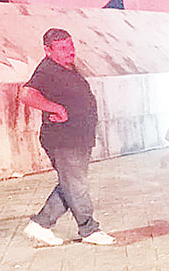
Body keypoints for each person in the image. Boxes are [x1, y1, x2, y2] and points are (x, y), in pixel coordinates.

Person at [20, 29, 115, 246]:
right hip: (63, 140)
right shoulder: (47, 70)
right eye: (63, 48)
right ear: (48, 50)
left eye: (70, 46)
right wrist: (55, 108)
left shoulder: (66, 68)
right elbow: (27, 94)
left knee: (70, 184)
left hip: (77, 138)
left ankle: (40, 225)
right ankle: (89, 230)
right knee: (77, 185)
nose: (70, 51)